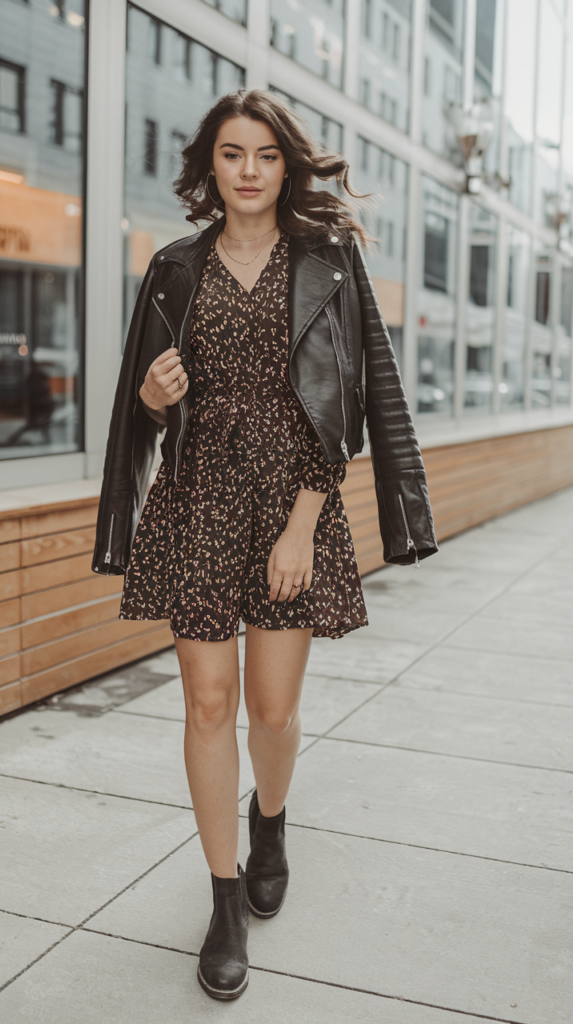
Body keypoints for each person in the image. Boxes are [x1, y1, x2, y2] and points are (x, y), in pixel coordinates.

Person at [92, 89, 437, 1001]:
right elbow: (144, 404)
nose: (249, 171)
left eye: (266, 156)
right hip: (200, 499)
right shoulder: (172, 267)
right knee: (209, 707)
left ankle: (270, 821)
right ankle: (222, 901)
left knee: (272, 712)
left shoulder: (328, 261)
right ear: (211, 164)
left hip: (294, 502)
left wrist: (304, 520)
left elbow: (350, 403)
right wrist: (156, 400)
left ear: (288, 166)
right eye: (233, 154)